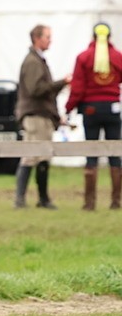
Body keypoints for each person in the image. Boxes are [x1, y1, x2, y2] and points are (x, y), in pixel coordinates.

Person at [65, 22, 122, 210]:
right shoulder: (117, 57)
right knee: (115, 154)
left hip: (90, 109)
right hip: (113, 109)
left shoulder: (84, 57)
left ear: (92, 37)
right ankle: (116, 201)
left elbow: (78, 87)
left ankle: (89, 203)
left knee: (92, 153)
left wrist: (69, 107)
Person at [15, 24, 71, 208]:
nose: (50, 40)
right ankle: (27, 199)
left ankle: (40, 198)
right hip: (35, 116)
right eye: (47, 37)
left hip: (41, 115)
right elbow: (36, 90)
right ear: (37, 38)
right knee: (33, 156)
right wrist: (61, 83)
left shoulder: (37, 60)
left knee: (41, 156)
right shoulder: (32, 62)